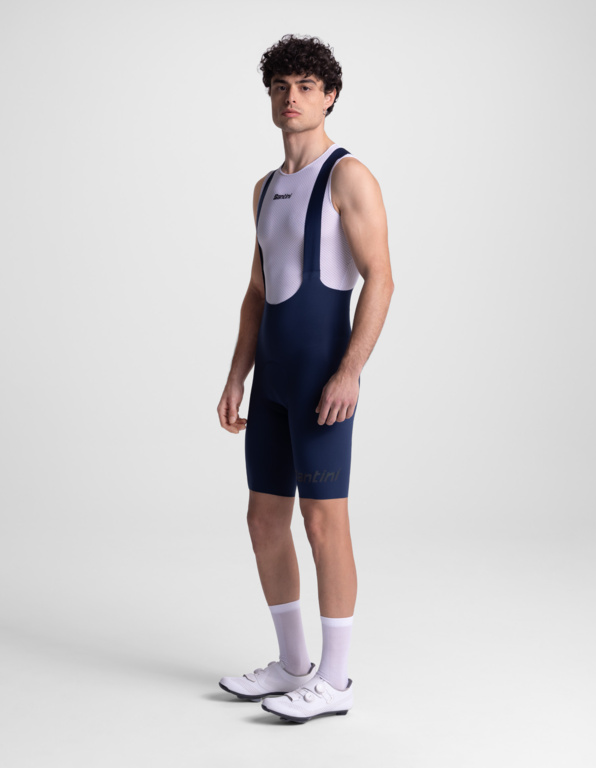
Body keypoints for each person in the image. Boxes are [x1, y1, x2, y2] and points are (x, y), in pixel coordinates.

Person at [216, 34, 394, 724]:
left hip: (322, 382)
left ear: (330, 96)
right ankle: (293, 665)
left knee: (324, 523)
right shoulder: (265, 189)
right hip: (272, 383)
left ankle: (335, 680)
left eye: (306, 87)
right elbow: (258, 290)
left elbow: (381, 279)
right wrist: (237, 375)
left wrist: (351, 370)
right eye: (280, 87)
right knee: (264, 519)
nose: (291, 98)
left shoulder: (349, 177)